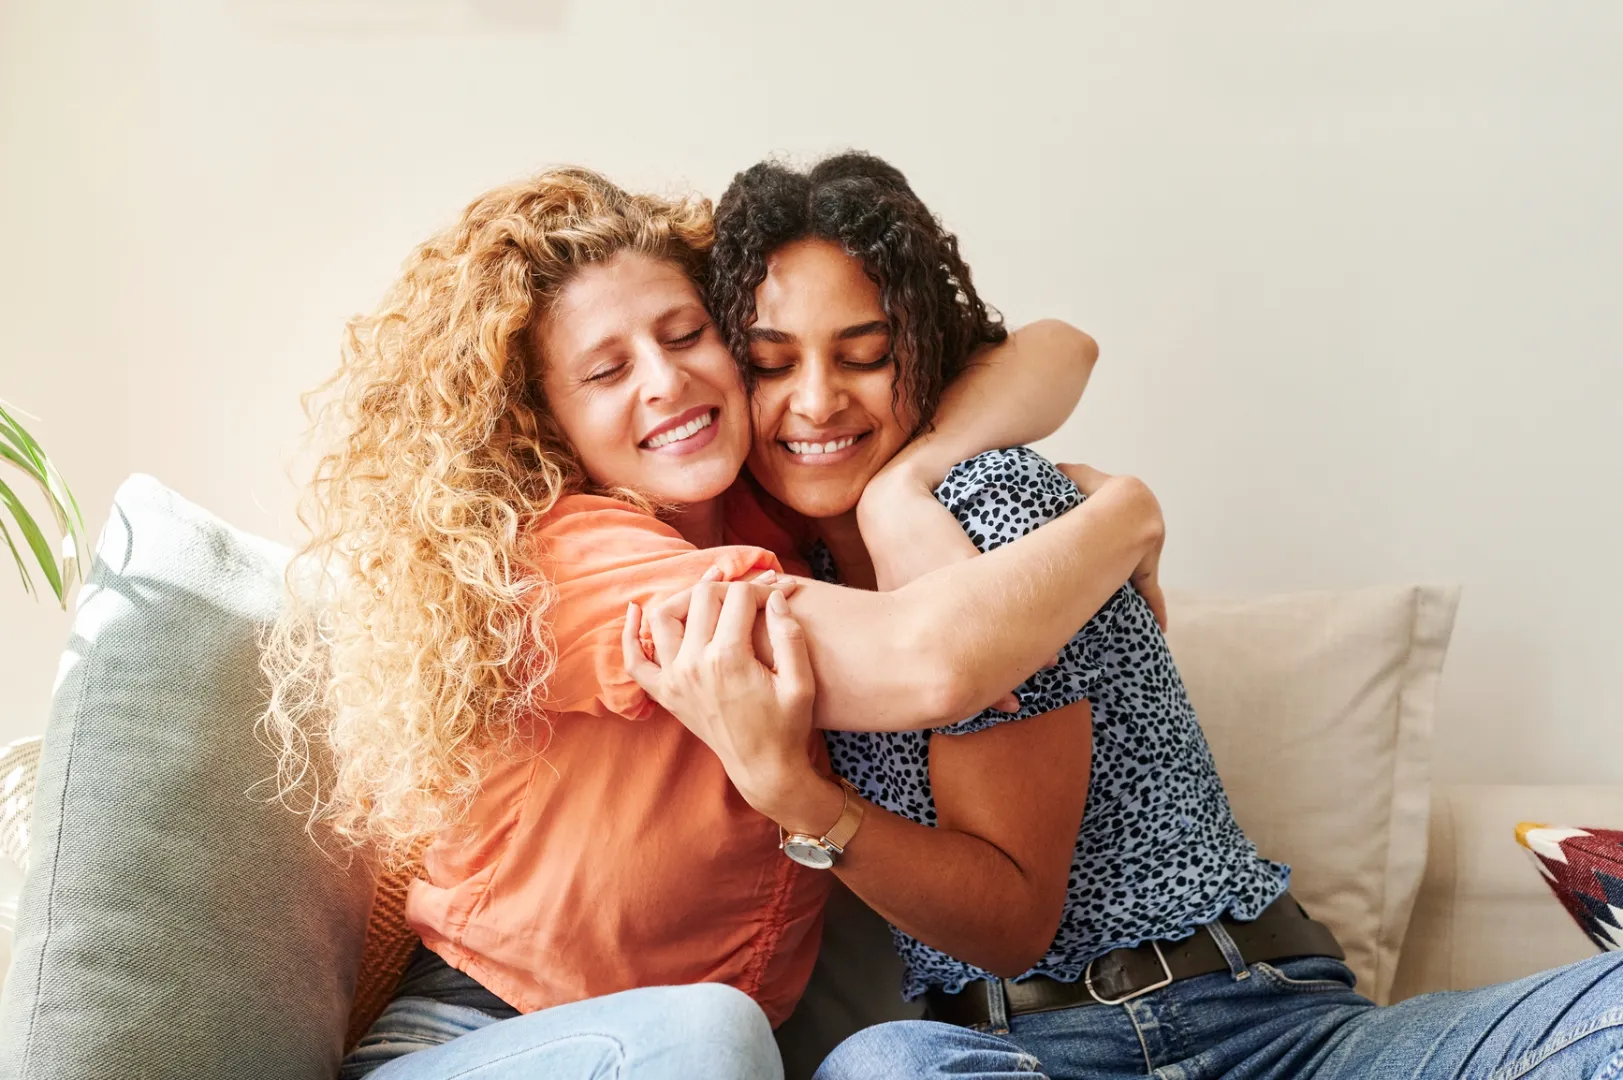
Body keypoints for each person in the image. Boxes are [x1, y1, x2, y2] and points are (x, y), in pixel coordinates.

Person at [625, 151, 1623, 1080]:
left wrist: (798, 796)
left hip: (1266, 1031)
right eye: (770, 362)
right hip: (1008, 1059)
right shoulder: (771, 570)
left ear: (924, 352)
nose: (816, 401)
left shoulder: (991, 506)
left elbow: (1013, 917)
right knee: (884, 1068)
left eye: (865, 354)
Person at [262, 164, 1166, 1080]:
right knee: (712, 1032)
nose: (664, 381)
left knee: (721, 1036)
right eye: (607, 371)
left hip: (694, 1058)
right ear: (547, 423)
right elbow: (929, 664)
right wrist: (1123, 516)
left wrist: (905, 477)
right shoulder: (570, 561)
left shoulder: (777, 522)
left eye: (686, 334)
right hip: (479, 1040)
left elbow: (1055, 349)